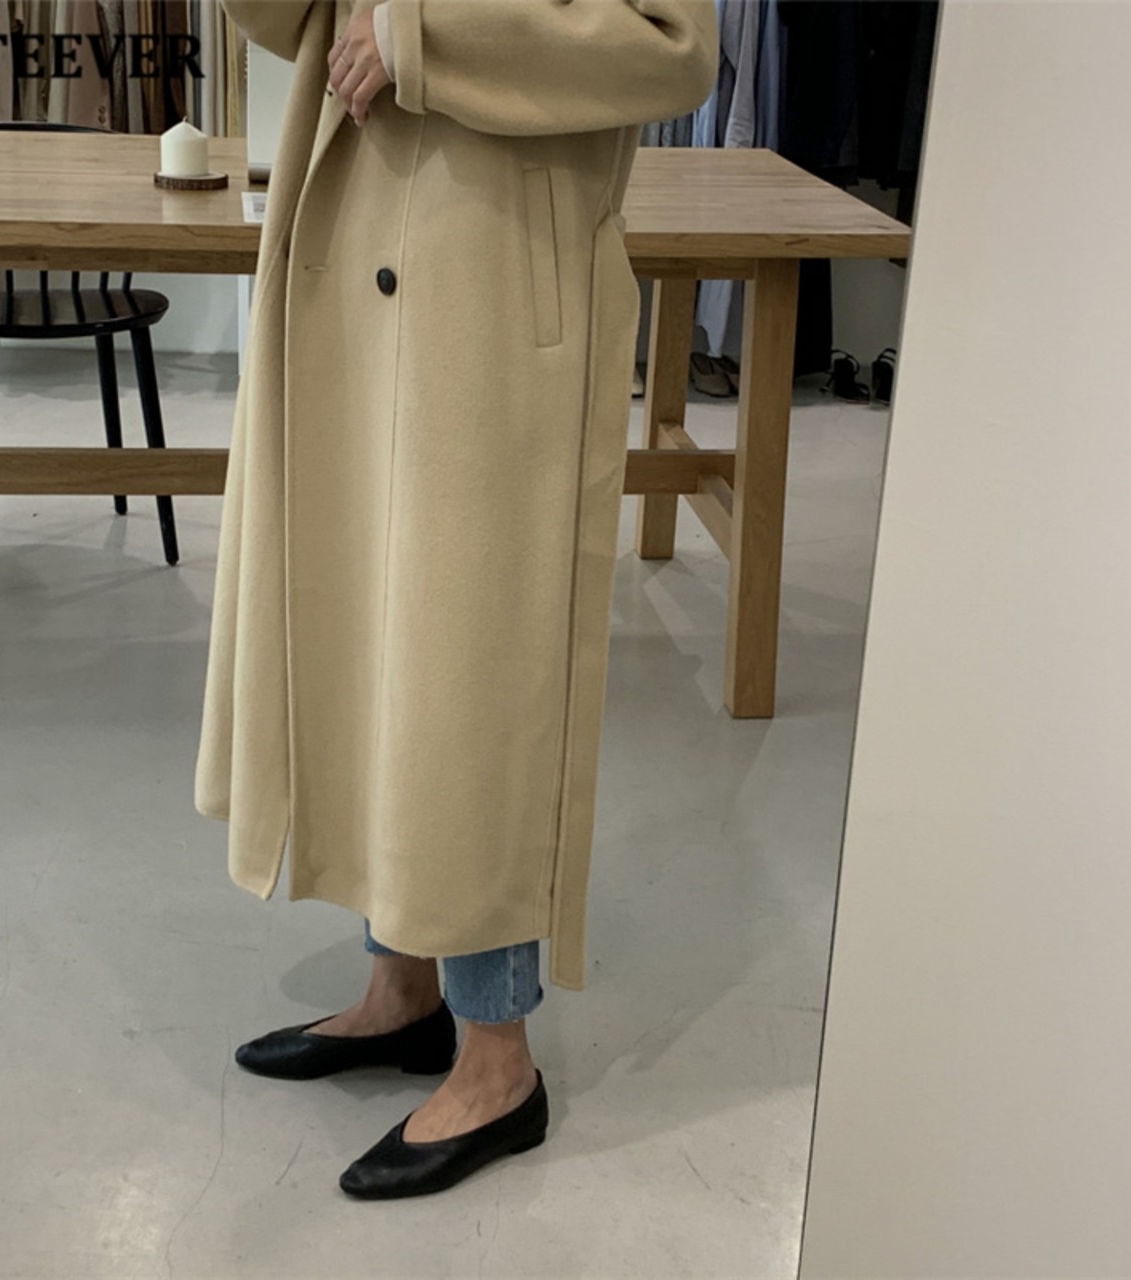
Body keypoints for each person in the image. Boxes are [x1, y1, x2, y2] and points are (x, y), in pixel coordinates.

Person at [200, 0, 719, 1199]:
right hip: (353, 240)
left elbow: (673, 46)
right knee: (379, 649)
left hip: (493, 276)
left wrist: (422, 35)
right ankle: (403, 987)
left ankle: (496, 1058)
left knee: (471, 673)